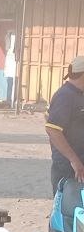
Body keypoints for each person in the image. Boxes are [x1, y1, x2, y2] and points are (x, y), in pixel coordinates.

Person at [45, 56, 84, 193]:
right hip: (69, 168)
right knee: (67, 209)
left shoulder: (78, 95)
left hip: (78, 164)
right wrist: (75, 161)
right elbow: (53, 130)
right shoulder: (65, 96)